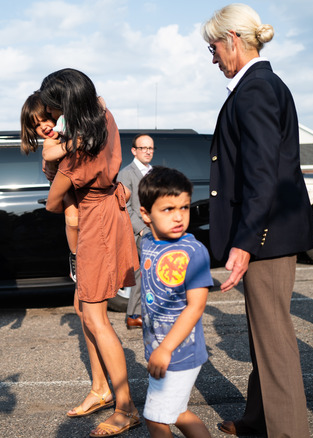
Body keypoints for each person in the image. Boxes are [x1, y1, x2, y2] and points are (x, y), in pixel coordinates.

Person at [202, 4, 313, 437]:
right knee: (261, 334)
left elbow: (262, 175)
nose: (212, 57)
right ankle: (258, 421)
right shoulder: (261, 85)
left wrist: (245, 241)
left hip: (266, 238)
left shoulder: (255, 90)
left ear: (232, 39)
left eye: (213, 47)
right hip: (269, 234)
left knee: (274, 342)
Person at [40, 68, 141, 438]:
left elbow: (52, 202)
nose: (52, 114)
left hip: (95, 220)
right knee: (84, 307)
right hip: (103, 213)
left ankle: (126, 407)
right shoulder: (103, 118)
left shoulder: (79, 152)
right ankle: (100, 388)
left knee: (96, 314)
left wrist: (58, 155)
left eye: (55, 106)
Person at [137, 166, 213, 438]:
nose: (179, 216)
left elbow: (196, 306)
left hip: (179, 353)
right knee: (177, 413)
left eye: (184, 207)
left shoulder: (193, 251)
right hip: (160, 349)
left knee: (156, 420)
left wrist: (166, 349)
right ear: (146, 215)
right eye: (168, 209)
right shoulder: (147, 242)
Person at [20, 92, 79, 280]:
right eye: (36, 125)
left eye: (45, 119)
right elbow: (48, 153)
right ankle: (75, 256)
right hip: (67, 189)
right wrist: (50, 159)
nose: (43, 127)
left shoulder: (72, 127)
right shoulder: (51, 141)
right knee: (72, 219)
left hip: (82, 188)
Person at [117, 133, 155, 329]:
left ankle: (151, 312)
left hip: (157, 228)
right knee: (143, 273)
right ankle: (133, 315)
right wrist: (141, 230)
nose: (148, 151)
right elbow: (124, 206)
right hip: (140, 232)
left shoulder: (154, 172)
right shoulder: (126, 173)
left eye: (150, 148)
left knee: (156, 273)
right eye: (143, 148)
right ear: (134, 150)